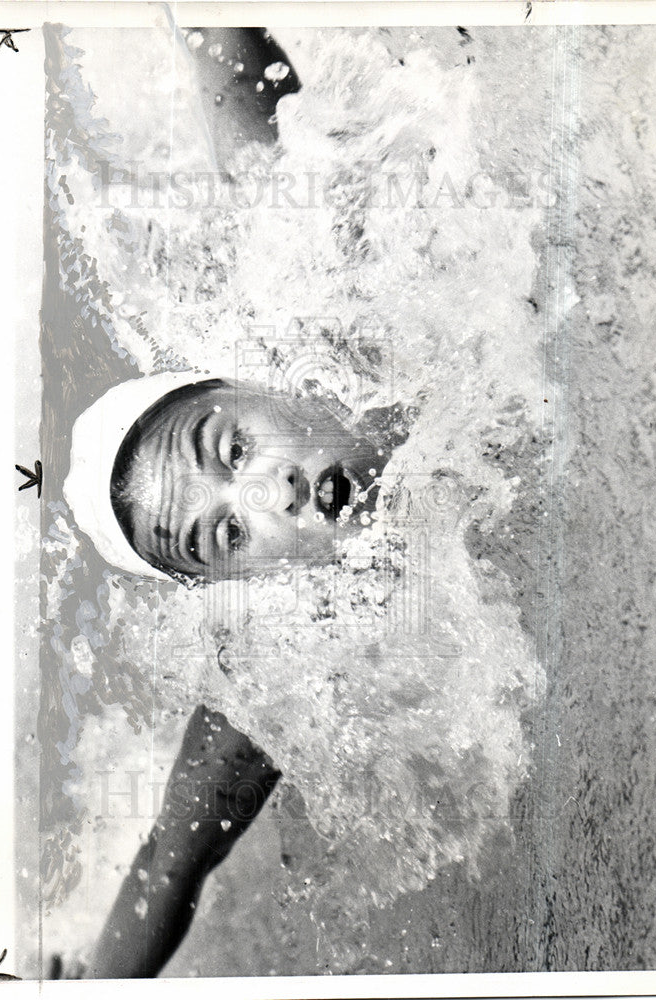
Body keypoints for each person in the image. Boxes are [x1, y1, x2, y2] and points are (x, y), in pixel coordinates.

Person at [58, 370, 401, 978]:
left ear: (247, 384)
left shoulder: (388, 349)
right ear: (236, 583)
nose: (273, 492)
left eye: (234, 449)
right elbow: (171, 863)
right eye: (231, 533)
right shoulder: (279, 666)